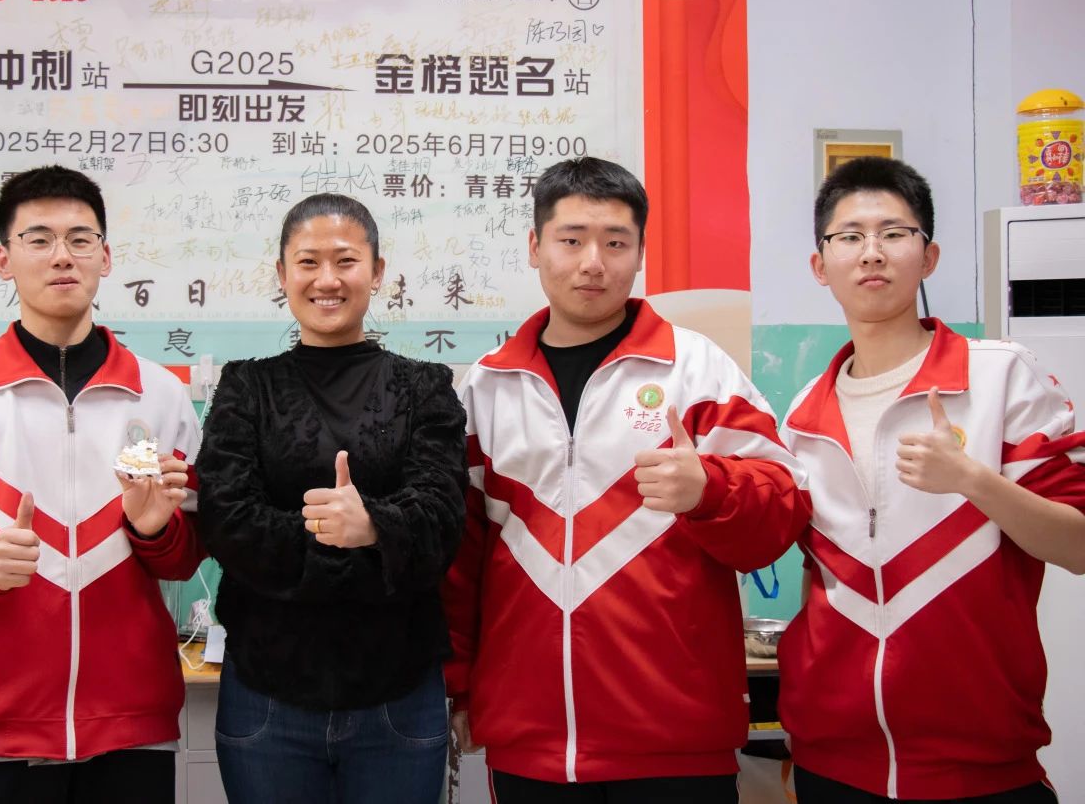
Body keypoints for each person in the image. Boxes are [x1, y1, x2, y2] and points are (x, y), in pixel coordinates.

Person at [443, 157, 811, 803]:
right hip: (530, 742)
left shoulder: (696, 369)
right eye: (571, 240)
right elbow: (460, 558)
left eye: (615, 243)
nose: (593, 262)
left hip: (676, 741)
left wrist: (710, 490)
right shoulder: (489, 385)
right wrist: (460, 684)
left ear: (640, 253)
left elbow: (781, 515)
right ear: (534, 247)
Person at [0, 165, 203, 804]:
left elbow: (189, 549)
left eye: (81, 239)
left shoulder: (160, 394)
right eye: (39, 239)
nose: (62, 256)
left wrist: (155, 531)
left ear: (105, 258)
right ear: (4, 260)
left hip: (130, 726)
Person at [777, 156, 1085, 803]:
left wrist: (974, 480)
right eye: (849, 236)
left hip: (983, 765)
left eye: (894, 233)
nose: (872, 252)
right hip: (832, 763)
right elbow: (815, 575)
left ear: (929, 256)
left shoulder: (999, 377)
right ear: (820, 265)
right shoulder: (802, 418)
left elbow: (1078, 544)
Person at [194, 193, 467, 804]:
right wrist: (348, 537)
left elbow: (444, 519)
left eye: (345, 261)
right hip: (268, 692)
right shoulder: (246, 386)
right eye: (308, 262)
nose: (327, 280)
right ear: (282, 274)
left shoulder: (426, 387)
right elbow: (226, 520)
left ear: (377, 271)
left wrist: (372, 524)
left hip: (398, 693)